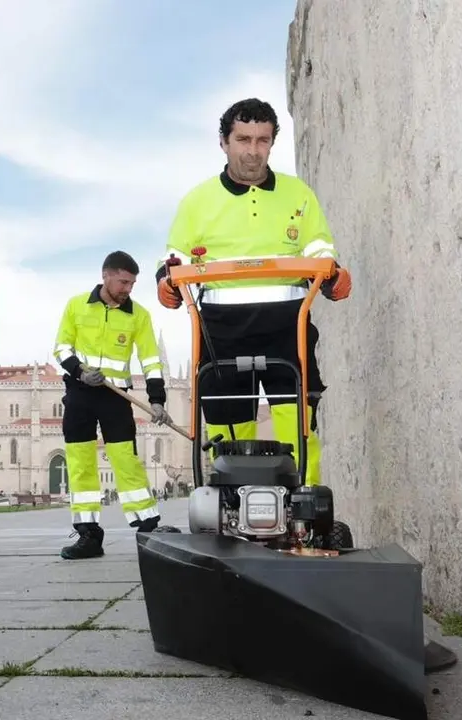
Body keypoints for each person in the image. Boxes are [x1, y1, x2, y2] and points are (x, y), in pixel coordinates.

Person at [156, 98, 352, 486]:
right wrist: (167, 281)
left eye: (262, 140)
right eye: (243, 139)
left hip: (288, 327)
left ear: (272, 143)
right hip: (221, 332)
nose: (253, 150)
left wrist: (333, 275)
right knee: (232, 432)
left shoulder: (299, 195)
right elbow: (175, 257)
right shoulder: (198, 202)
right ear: (224, 142)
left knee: (298, 425)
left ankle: (304, 509)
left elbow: (319, 249)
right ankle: (233, 508)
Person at [51, 251, 170, 560]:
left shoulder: (138, 315)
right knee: (80, 463)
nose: (128, 289)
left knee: (126, 460)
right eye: (123, 282)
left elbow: (150, 361)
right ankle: (88, 536)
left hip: (116, 397)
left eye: (132, 283)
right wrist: (80, 371)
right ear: (106, 276)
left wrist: (157, 400)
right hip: (80, 394)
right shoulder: (77, 306)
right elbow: (61, 347)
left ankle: (149, 527)